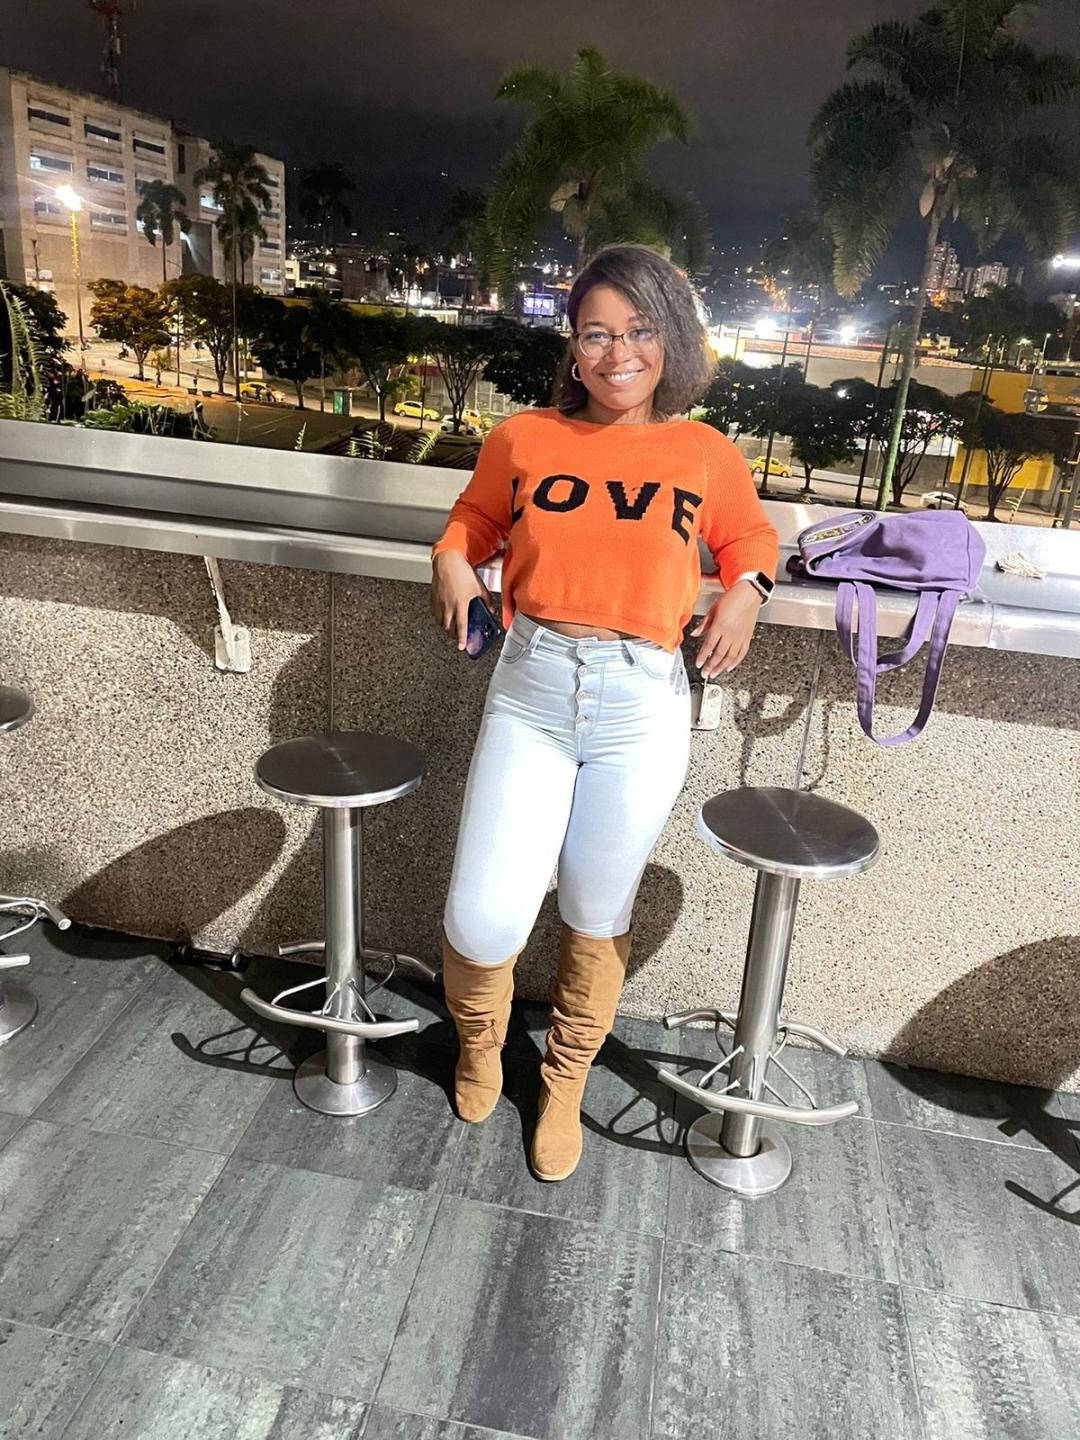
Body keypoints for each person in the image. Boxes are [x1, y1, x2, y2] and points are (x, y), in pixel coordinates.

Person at [429, 243, 778, 1182]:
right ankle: (478, 1047)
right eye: (596, 333)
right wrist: (453, 560)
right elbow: (474, 521)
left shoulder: (702, 451)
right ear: (573, 346)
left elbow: (750, 537)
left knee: (594, 906)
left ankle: (564, 1081)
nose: (618, 353)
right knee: (484, 916)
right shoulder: (524, 437)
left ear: (672, 340)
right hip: (532, 690)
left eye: (639, 330)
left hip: (641, 704)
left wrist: (745, 593)